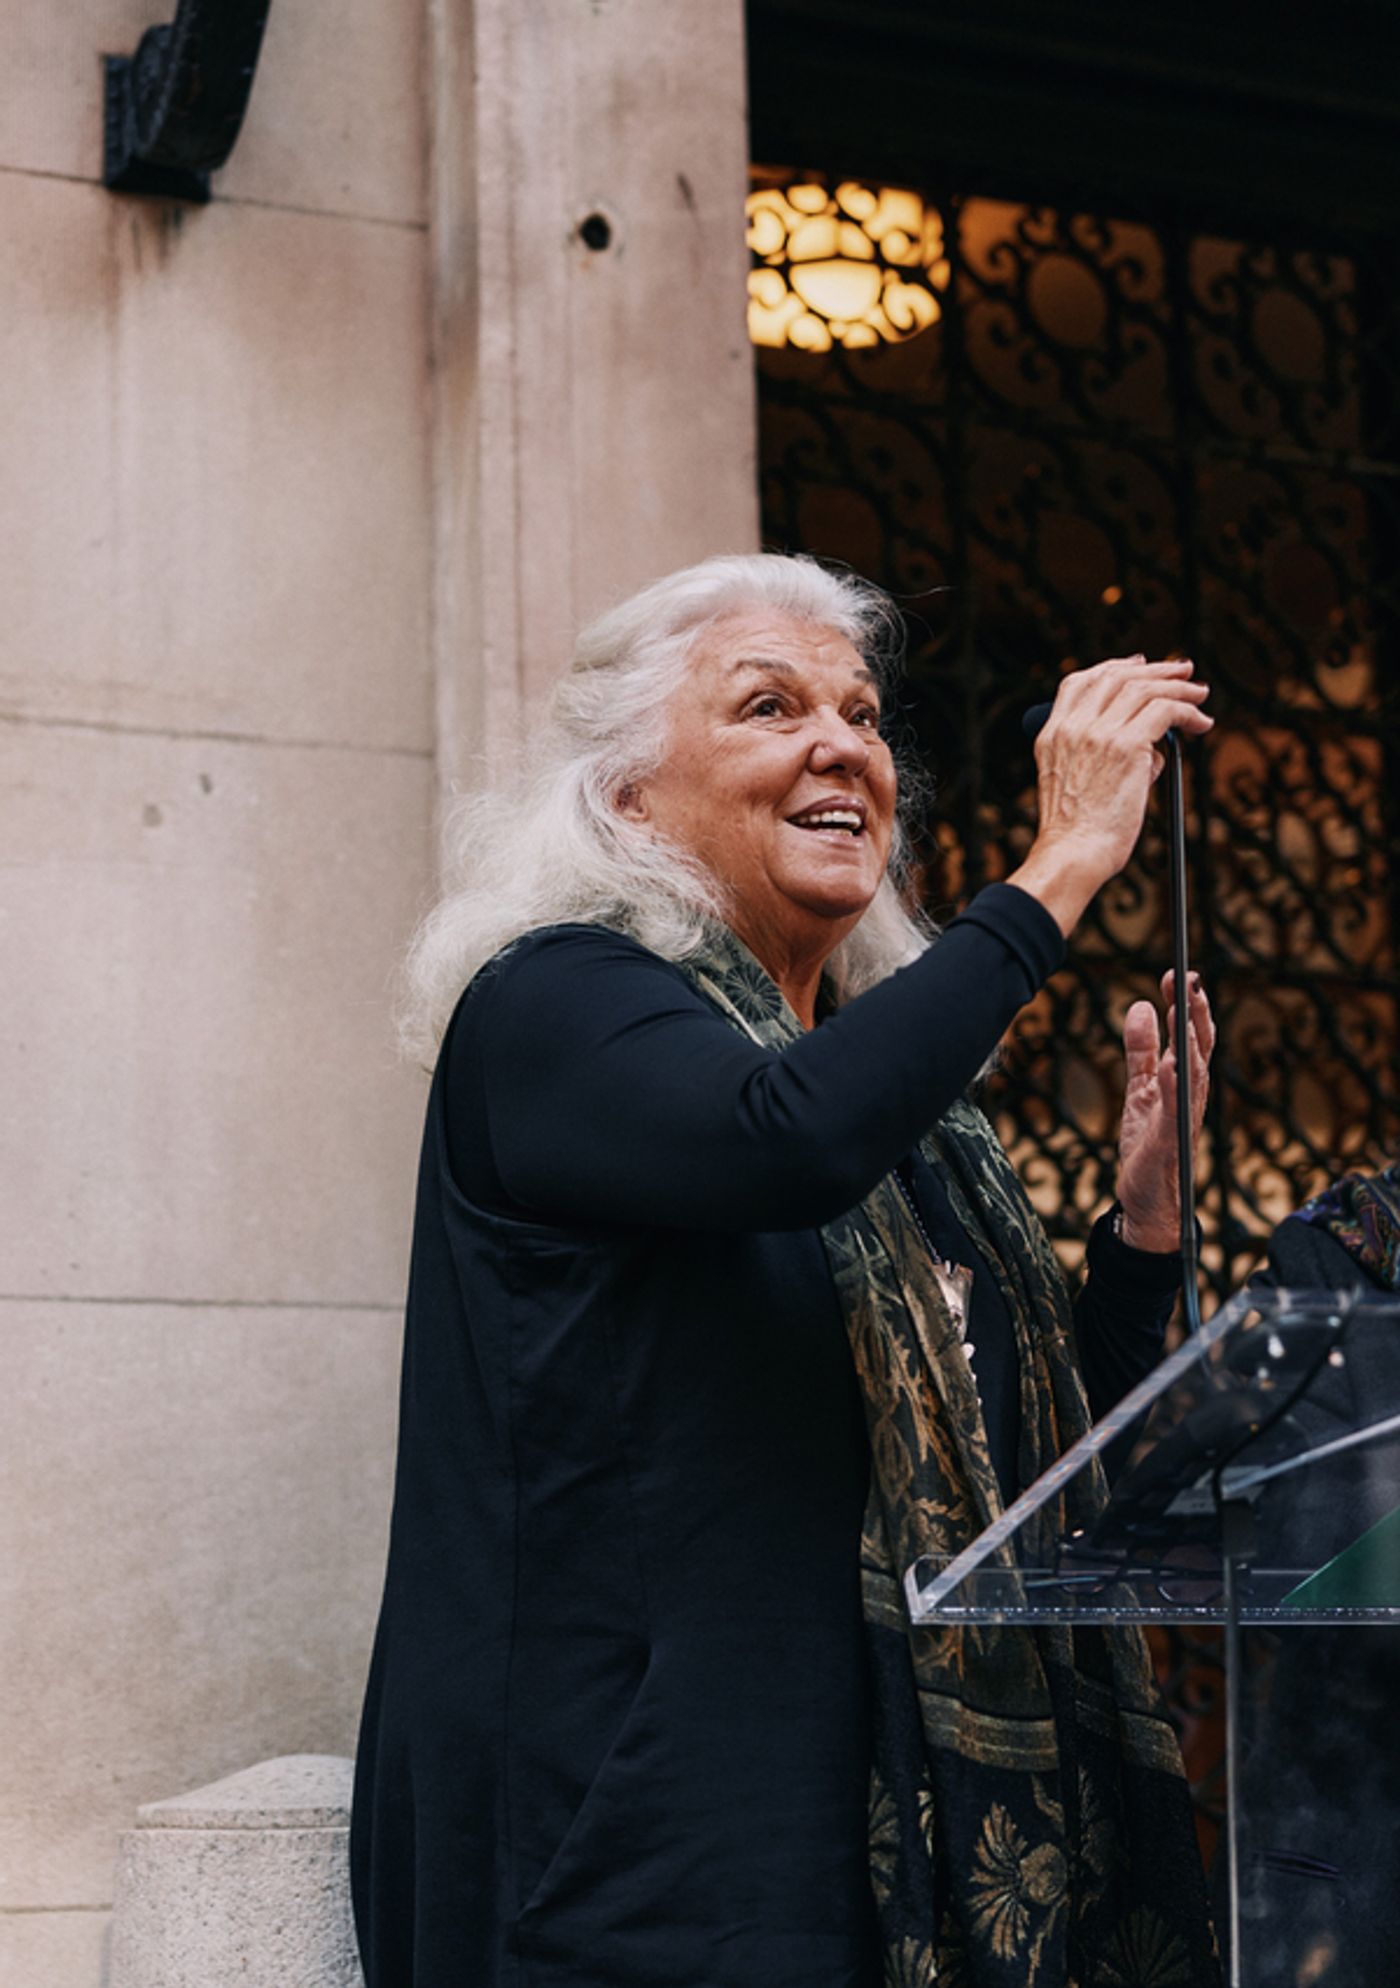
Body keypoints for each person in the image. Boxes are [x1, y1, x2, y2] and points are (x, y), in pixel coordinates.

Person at [350, 554, 1220, 1988]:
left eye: (866, 716)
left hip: (893, 1850)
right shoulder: (554, 1004)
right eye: (771, 707)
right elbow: (781, 1145)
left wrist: (1144, 1235)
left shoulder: (911, 1124)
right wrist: (1058, 865)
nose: (843, 746)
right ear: (627, 798)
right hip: (637, 1857)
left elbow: (1062, 1490)